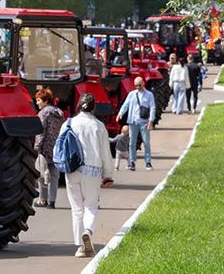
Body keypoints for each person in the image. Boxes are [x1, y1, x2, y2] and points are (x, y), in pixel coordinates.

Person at [64, 94, 114, 258]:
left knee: (77, 209)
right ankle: (88, 231)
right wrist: (108, 174)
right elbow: (106, 152)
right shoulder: (98, 126)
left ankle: (80, 247)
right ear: (93, 108)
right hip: (93, 169)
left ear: (78, 105)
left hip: (72, 169)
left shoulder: (69, 123)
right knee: (90, 206)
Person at [116, 76, 155, 171]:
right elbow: (126, 105)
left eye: (139, 85)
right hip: (133, 121)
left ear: (143, 83)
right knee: (131, 143)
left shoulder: (149, 94)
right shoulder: (132, 94)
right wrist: (120, 114)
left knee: (146, 142)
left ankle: (148, 162)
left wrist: (151, 121)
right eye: (136, 85)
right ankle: (132, 162)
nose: (137, 87)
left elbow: (152, 107)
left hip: (144, 122)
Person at [33, 88, 64, 208]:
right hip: (56, 148)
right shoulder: (59, 113)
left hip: (45, 148)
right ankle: (52, 201)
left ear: (45, 101)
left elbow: (40, 131)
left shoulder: (43, 113)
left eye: (39, 100)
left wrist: (37, 147)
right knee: (54, 175)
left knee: (42, 174)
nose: (37, 103)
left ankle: (43, 199)